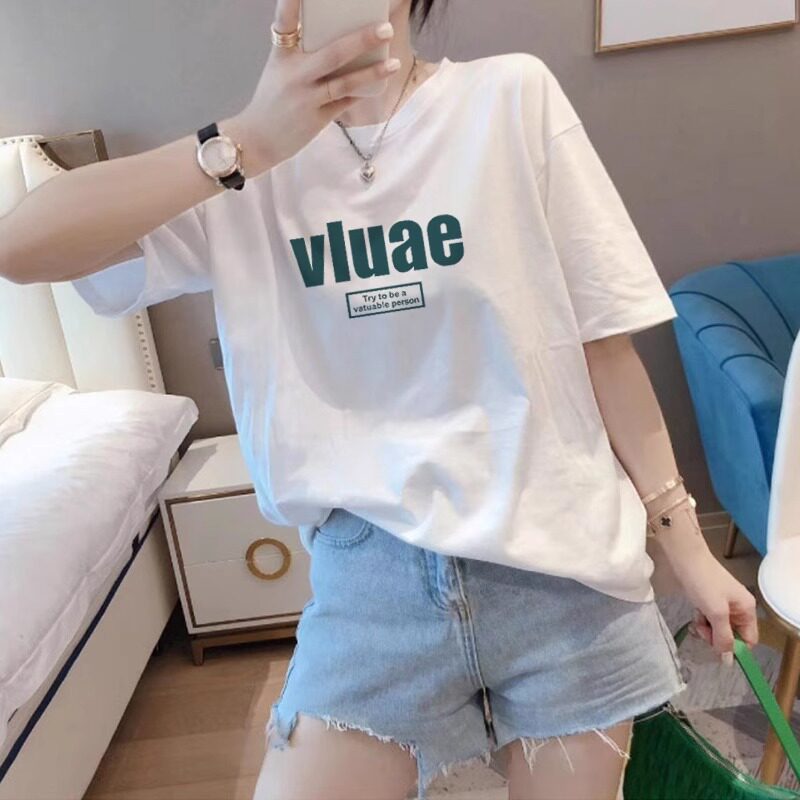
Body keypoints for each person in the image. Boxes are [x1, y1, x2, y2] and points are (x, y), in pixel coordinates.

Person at [1, 0, 760, 798]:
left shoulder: (510, 98)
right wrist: (243, 143)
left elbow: (603, 343)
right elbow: (20, 246)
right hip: (373, 588)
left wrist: (689, 551)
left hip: (561, 571)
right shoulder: (239, 168)